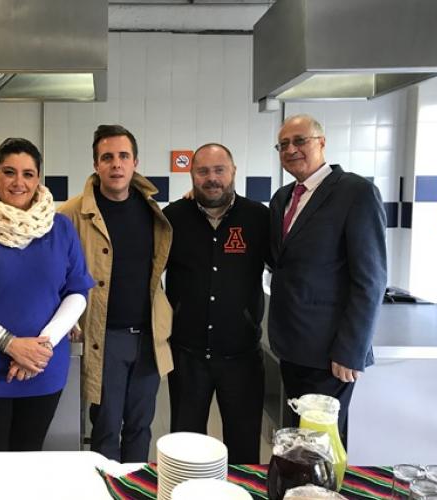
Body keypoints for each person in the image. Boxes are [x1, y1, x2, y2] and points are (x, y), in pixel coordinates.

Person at [0, 138, 94, 452]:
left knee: (28, 463)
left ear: (38, 180)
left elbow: (77, 292)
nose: (18, 182)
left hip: (42, 368)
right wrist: (10, 344)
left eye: (28, 173)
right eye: (9, 172)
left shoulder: (61, 229)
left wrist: (38, 349)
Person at [269, 114, 387, 447]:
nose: (291, 149)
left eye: (300, 141)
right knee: (298, 441)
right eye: (284, 145)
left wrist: (351, 349)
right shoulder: (283, 199)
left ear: (321, 142)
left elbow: (371, 278)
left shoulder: (355, 192)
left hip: (330, 353)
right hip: (291, 346)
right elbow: (278, 260)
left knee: (322, 443)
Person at [59, 124, 173, 463]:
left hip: (149, 337)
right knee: (106, 427)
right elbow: (55, 275)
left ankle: (136, 486)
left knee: (141, 425)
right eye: (107, 157)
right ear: (96, 165)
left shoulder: (152, 211)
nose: (116, 164)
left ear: (135, 161)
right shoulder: (71, 214)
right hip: (104, 337)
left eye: (123, 156)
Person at [163, 143, 270, 464]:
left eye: (219, 170)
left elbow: (289, 268)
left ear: (234, 172)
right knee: (185, 448)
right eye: (203, 171)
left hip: (242, 357)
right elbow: (149, 275)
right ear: (191, 175)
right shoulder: (173, 218)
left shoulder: (258, 218)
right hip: (186, 356)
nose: (212, 178)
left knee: (244, 448)